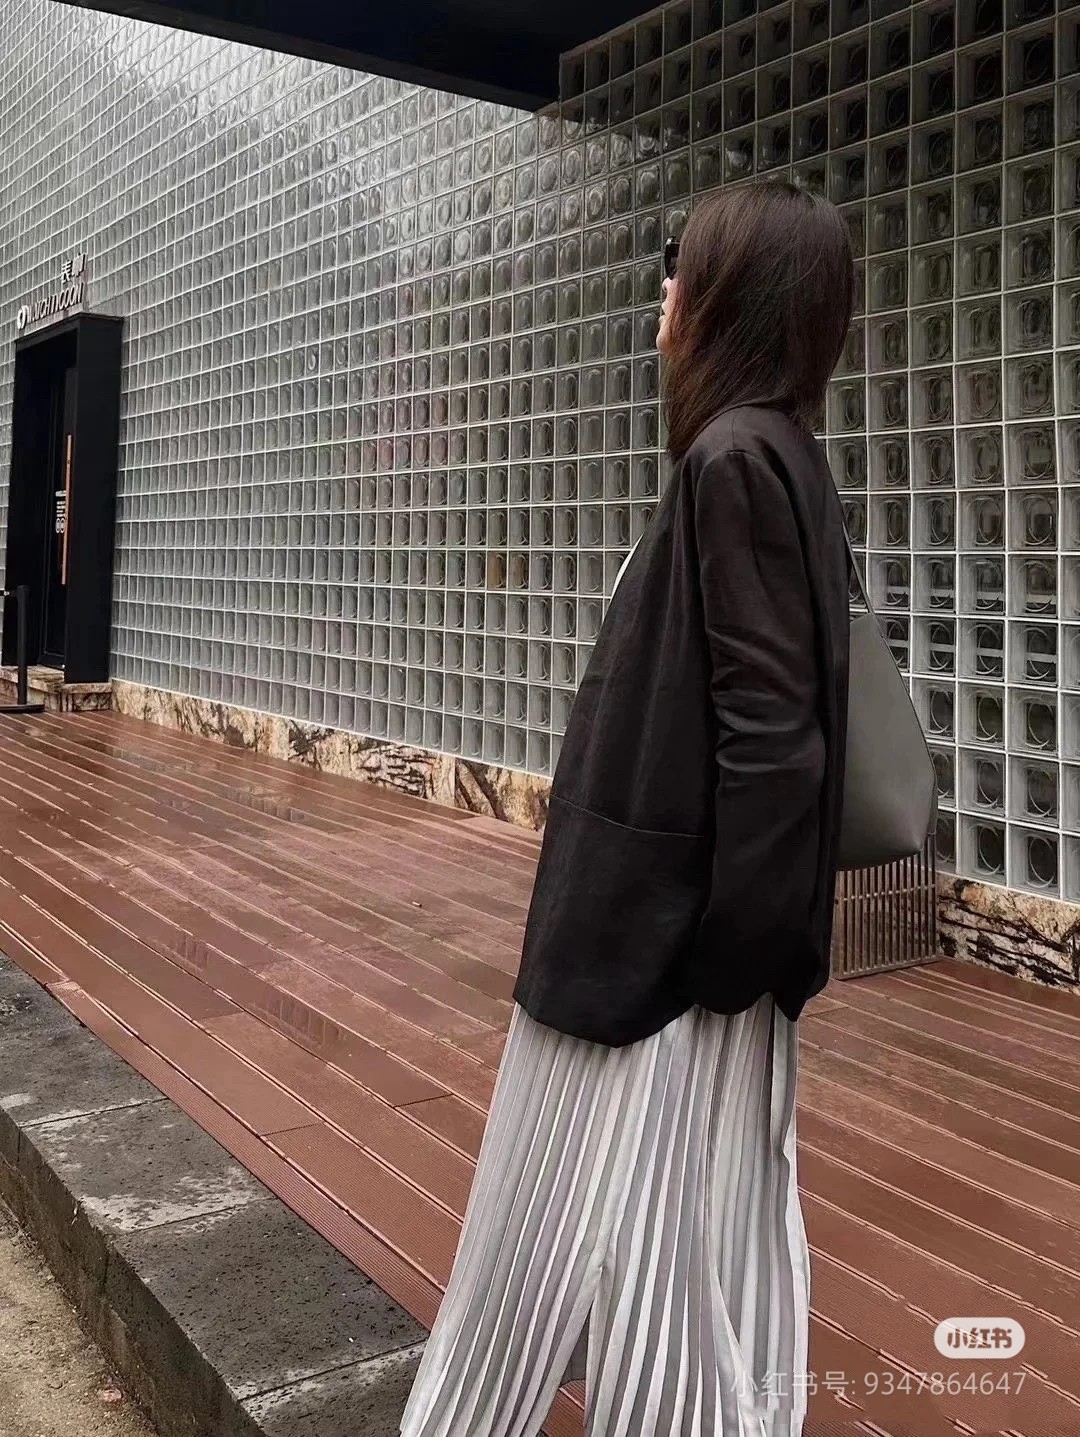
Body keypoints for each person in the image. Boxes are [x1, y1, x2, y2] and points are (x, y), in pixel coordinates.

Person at [399, 177, 855, 1437]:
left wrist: (722, 959)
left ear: (732, 300)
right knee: (690, 1232)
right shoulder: (779, 452)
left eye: (682, 271)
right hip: (692, 949)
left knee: (564, 1216)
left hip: (657, 951)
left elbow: (776, 743)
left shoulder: (732, 459)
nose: (664, 296)